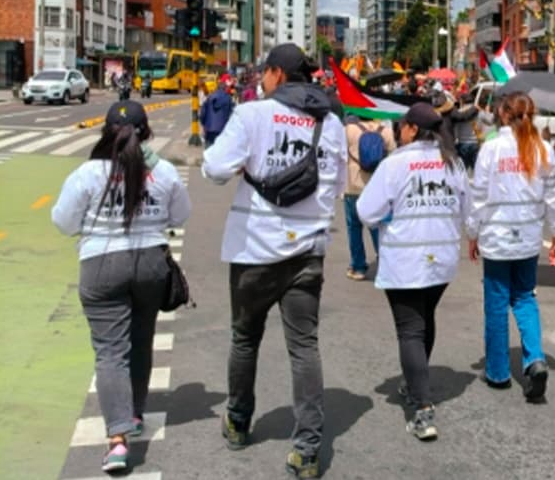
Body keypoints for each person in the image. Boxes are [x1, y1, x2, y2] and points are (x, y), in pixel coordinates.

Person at [202, 43, 348, 478]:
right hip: (307, 253)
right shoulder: (333, 124)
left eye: (265, 72)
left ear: (278, 75)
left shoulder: (252, 115)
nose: (262, 80)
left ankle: (239, 422)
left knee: (245, 338)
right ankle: (307, 450)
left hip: (254, 253)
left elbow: (212, 169)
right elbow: (337, 186)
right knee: (304, 347)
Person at [51, 101, 191, 474]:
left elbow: (63, 222)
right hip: (149, 264)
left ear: (106, 132)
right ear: (147, 131)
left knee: (111, 352)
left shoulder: (88, 173)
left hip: (100, 264)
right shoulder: (163, 172)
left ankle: (117, 441)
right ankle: (134, 413)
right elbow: (180, 216)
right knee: (141, 340)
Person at [356, 103, 466, 442]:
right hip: (443, 258)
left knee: (410, 329)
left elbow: (365, 211)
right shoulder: (454, 162)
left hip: (406, 258)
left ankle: (422, 408)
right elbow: (466, 209)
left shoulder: (395, 165)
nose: (398, 131)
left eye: (401, 126)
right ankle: (416, 385)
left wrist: (390, 214)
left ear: (413, 130)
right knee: (424, 318)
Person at [466, 92, 555, 401]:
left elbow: (477, 195)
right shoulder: (543, 148)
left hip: (496, 238)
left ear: (504, 115)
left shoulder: (491, 149)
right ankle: (535, 359)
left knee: (496, 303)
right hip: (529, 237)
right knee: (525, 298)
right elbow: (553, 197)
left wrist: (472, 233)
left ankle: (497, 371)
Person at [343, 115, 397, 280]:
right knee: (376, 226)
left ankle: (358, 267)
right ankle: (385, 260)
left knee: (354, 228)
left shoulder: (348, 130)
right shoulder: (386, 131)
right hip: (376, 187)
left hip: (354, 185)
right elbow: (394, 158)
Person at [449, 92, 482, 170]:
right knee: (477, 169)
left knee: (463, 169)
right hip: (475, 143)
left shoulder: (459, 112)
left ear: (462, 101)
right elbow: (488, 121)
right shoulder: (478, 111)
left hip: (463, 143)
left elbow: (456, 130)